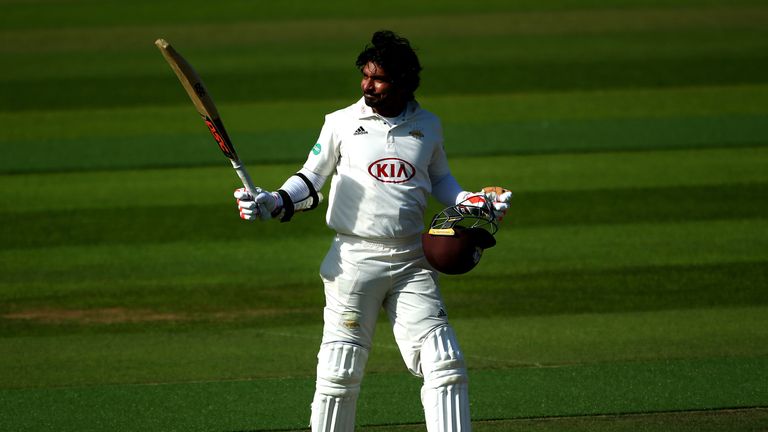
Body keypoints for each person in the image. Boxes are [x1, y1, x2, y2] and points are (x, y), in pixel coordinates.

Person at [234, 30, 511, 432]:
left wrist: (471, 199)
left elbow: (440, 180)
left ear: (402, 82)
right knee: (339, 373)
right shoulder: (341, 122)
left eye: (378, 78)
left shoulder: (428, 126)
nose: (368, 85)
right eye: (365, 75)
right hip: (353, 261)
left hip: (412, 259)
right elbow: (311, 178)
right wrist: (274, 201)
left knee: (445, 363)